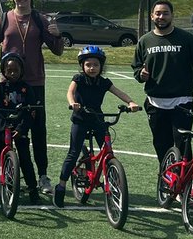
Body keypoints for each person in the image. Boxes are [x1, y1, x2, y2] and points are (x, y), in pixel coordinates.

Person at [0, 0, 64, 195]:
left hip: (34, 82)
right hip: (7, 83)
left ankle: (42, 175)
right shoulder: (5, 18)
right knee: (2, 129)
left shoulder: (40, 19)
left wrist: (57, 35)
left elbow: (57, 51)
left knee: (37, 129)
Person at [54, 45, 139, 207]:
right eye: (88, 65)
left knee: (108, 151)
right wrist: (73, 103)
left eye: (96, 65)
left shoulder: (104, 82)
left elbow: (119, 92)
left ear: (101, 66)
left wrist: (131, 102)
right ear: (82, 66)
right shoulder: (78, 79)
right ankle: (61, 186)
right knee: (73, 153)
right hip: (80, 118)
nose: (92, 68)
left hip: (97, 118)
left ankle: (112, 179)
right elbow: (70, 92)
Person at [132, 0, 193, 163]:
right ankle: (166, 179)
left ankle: (185, 184)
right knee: (161, 145)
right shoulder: (145, 41)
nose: (161, 16)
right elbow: (136, 67)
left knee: (182, 145)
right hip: (155, 103)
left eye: (165, 13)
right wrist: (140, 74)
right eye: (158, 13)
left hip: (181, 102)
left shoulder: (186, 38)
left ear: (172, 16)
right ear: (151, 16)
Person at [0, 51, 41, 202]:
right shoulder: (0, 88)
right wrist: (3, 129)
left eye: (15, 70)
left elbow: (30, 112)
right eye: (9, 70)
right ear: (4, 71)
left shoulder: (26, 88)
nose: (12, 73)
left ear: (21, 71)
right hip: (2, 129)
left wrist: (21, 129)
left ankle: (32, 190)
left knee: (25, 159)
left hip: (19, 128)